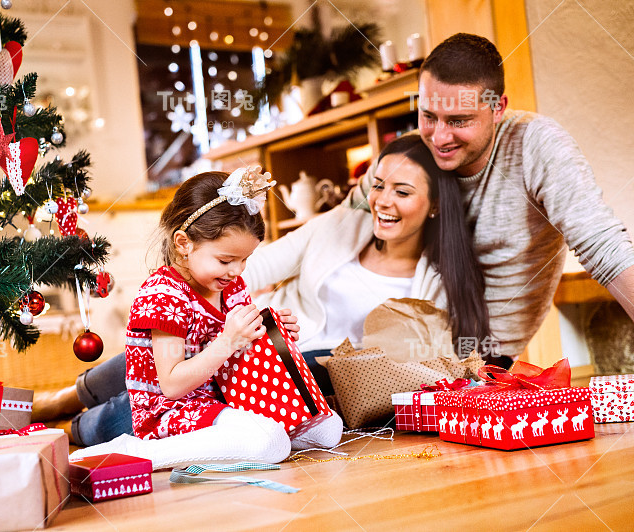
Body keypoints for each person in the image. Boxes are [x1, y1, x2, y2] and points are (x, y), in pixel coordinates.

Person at [347, 33, 634, 360]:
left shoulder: (535, 145)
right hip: (381, 350)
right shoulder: (410, 154)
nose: (439, 138)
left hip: (480, 368)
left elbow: (604, 246)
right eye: (428, 116)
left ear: (498, 108)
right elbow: (341, 226)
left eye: (458, 120)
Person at [69, 168, 343, 468]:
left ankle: (241, 437)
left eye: (245, 260)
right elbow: (172, 385)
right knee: (270, 442)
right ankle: (141, 453)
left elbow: (242, 354)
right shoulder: (164, 297)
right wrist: (228, 341)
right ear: (184, 244)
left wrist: (271, 334)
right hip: (173, 411)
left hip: (225, 397)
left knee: (329, 430)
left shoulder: (230, 285)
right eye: (226, 260)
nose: (237, 271)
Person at [243, 134, 498, 395]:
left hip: (350, 388)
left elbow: (442, 367)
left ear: (435, 204)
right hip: (267, 355)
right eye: (378, 186)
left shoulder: (441, 284)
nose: (383, 201)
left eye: (402, 192)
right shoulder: (340, 223)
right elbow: (248, 269)